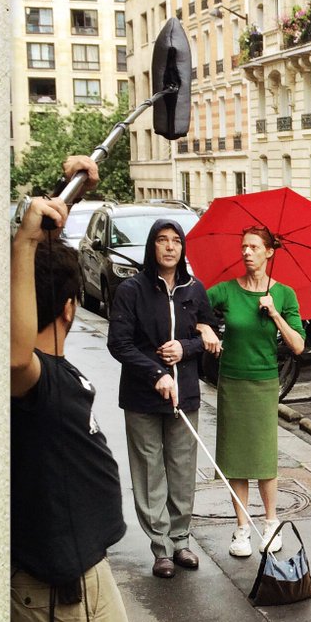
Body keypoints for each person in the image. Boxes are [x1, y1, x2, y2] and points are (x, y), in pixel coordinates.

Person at [10, 159, 166, 622]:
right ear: (71, 305)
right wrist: (19, 248)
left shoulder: (39, 367)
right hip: (62, 588)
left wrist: (64, 193)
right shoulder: (25, 376)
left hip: (51, 580)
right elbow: (14, 354)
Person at [107, 219, 220, 578]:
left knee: (182, 469)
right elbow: (119, 343)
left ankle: (181, 539)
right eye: (162, 240)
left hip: (184, 395)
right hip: (142, 397)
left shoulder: (194, 289)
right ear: (152, 247)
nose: (170, 247)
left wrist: (185, 347)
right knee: (149, 471)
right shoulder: (132, 290)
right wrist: (156, 373)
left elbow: (211, 333)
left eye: (176, 241)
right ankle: (160, 547)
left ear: (182, 248)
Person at [207, 225, 305, 557]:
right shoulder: (225, 291)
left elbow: (298, 345)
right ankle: (241, 529)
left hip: (264, 383)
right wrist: (205, 328)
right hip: (232, 382)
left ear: (269, 252)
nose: (246, 252)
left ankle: (271, 523)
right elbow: (192, 309)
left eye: (253, 247)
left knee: (263, 457)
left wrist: (275, 313)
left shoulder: (285, 294)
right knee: (235, 457)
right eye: (243, 246)